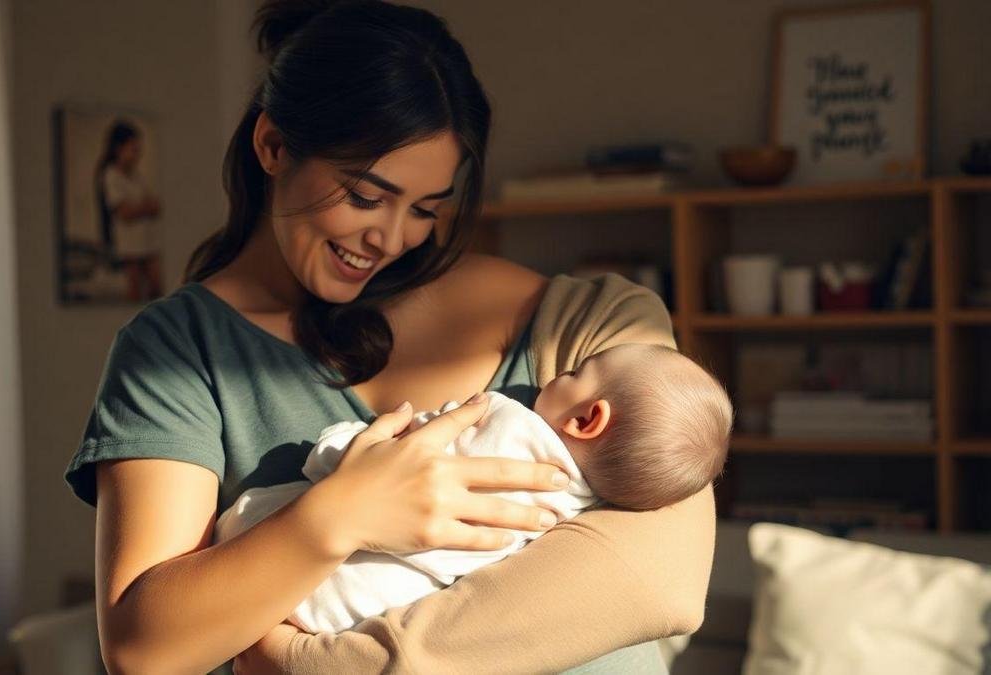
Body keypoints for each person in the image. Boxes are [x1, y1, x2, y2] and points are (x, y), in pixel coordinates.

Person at [63, 1, 716, 673]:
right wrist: (339, 515)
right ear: (273, 146)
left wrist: (319, 664)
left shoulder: (592, 323)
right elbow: (145, 649)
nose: (392, 236)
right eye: (367, 196)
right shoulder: (178, 353)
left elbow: (659, 580)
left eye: (426, 208)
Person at [213, 344, 733, 634]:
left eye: (577, 371)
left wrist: (336, 447)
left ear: (588, 418)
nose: (559, 375)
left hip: (280, 562)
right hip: (353, 615)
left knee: (249, 520)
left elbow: (384, 456)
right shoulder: (568, 516)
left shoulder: (500, 418)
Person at [95, 119, 163, 301]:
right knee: (134, 290)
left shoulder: (136, 176)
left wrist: (144, 207)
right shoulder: (110, 176)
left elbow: (152, 204)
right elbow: (124, 212)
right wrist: (144, 208)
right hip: (129, 245)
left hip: (146, 240)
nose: (137, 155)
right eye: (133, 149)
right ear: (119, 148)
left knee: (156, 286)